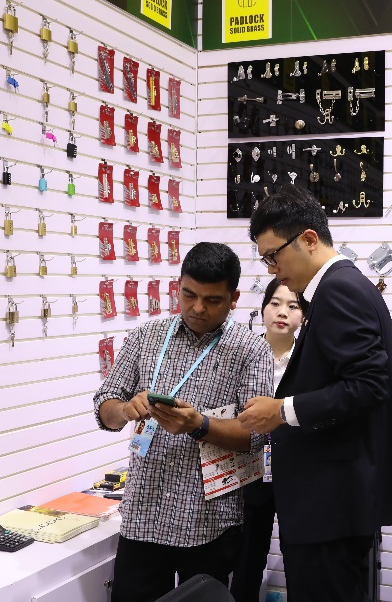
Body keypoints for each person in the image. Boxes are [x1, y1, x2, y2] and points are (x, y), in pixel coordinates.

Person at [238, 185, 392, 602]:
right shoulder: (340, 286)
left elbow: (369, 385)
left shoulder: (337, 289)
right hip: (333, 502)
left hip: (331, 503)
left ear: (309, 239)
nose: (272, 270)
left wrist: (283, 410)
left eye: (274, 256)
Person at [92, 242, 274, 602]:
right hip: (144, 515)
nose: (198, 308)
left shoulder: (251, 350)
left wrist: (198, 425)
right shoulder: (145, 337)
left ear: (234, 299)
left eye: (212, 300)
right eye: (189, 295)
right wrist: (126, 409)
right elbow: (104, 408)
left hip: (209, 522)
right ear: (178, 286)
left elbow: (254, 436)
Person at [231, 279, 307, 602]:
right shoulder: (244, 355)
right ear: (262, 309)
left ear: (304, 315)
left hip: (297, 472)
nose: (282, 312)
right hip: (250, 469)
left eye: (293, 306)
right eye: (275, 303)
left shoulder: (309, 359)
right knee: (246, 561)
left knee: (300, 564)